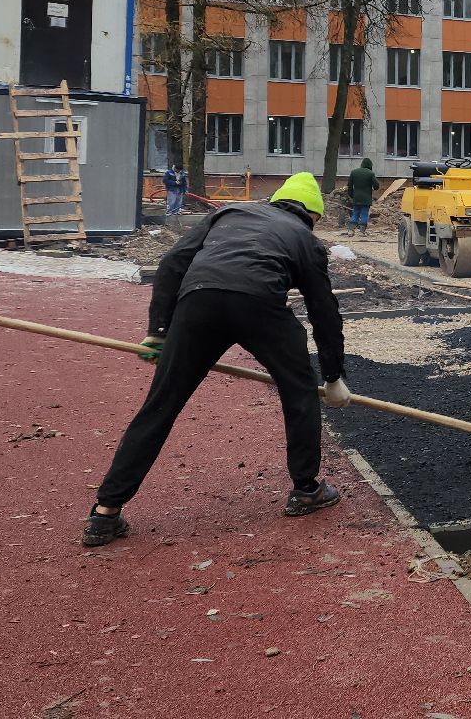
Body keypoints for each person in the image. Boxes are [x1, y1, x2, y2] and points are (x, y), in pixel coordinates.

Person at [82, 172, 352, 547]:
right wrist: (333, 375)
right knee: (299, 390)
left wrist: (159, 329)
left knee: (160, 405)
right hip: (260, 303)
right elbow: (323, 310)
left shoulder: (229, 213)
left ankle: (105, 512)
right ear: (311, 215)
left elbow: (173, 262)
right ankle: (306, 490)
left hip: (198, 302)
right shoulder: (306, 239)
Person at [346, 157, 377, 235]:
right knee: (364, 213)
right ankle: (361, 231)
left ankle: (351, 230)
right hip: (366, 198)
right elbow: (376, 186)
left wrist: (351, 195)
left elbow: (349, 185)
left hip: (356, 197)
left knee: (355, 212)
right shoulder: (370, 173)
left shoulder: (354, 172)